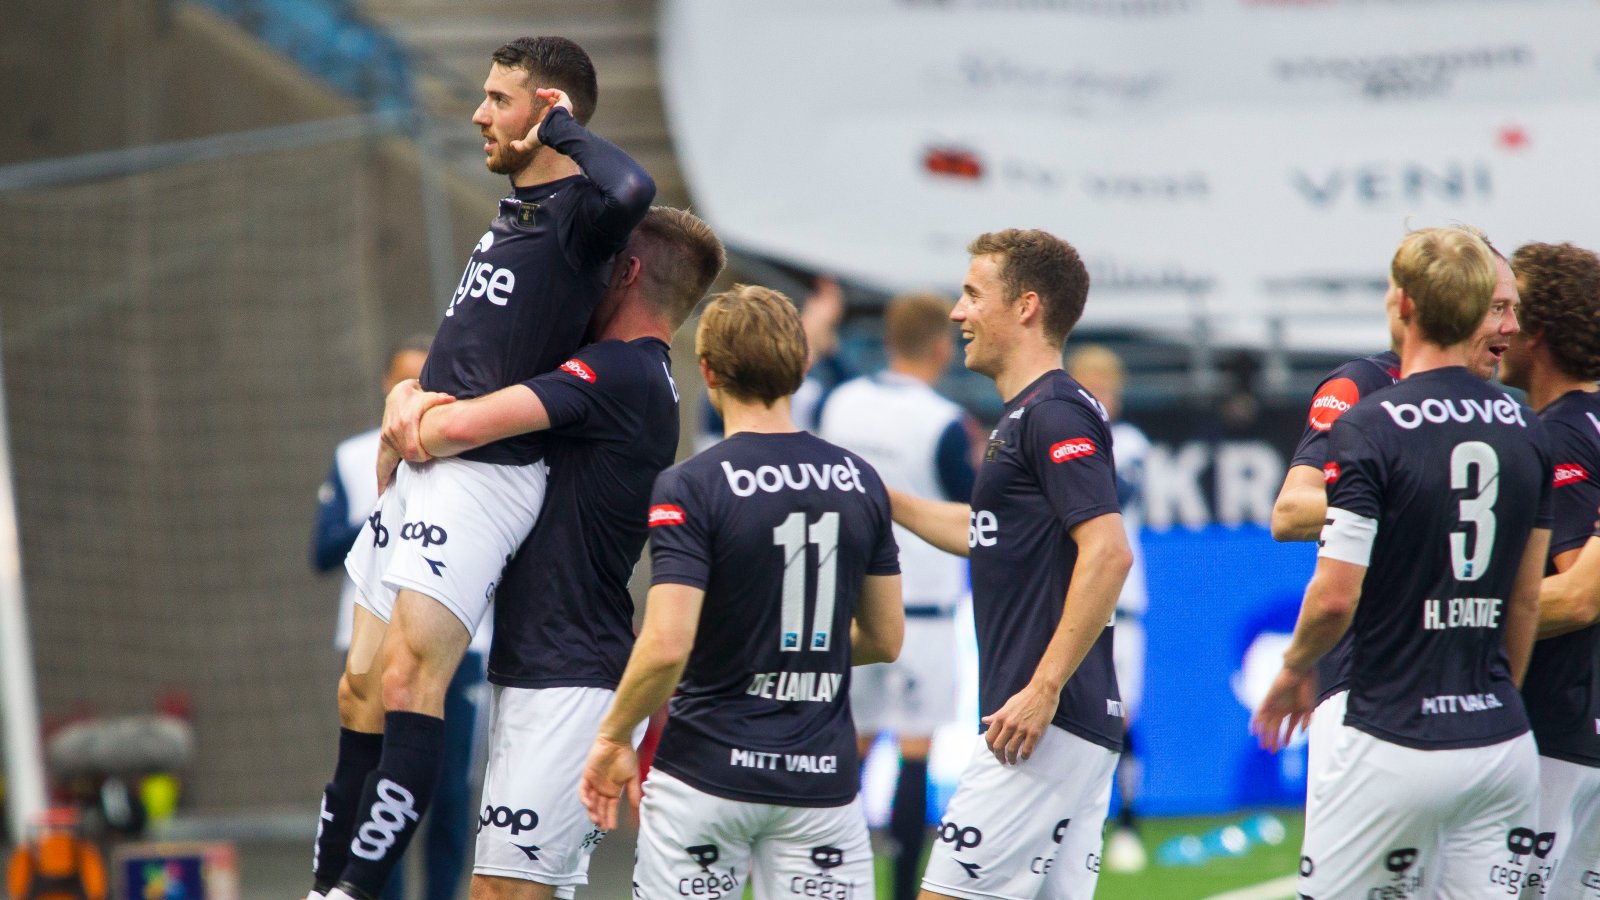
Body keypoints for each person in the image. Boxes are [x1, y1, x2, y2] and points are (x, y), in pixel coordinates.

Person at [310, 35, 655, 900]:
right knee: (358, 690)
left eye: (499, 99)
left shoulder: (582, 215)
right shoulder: (516, 212)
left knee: (406, 681)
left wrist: (560, 130)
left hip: (483, 474)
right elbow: (476, 342)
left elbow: (633, 188)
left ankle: (353, 892)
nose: (478, 114)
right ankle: (324, 886)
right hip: (426, 461)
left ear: (549, 110)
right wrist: (408, 396)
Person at [380, 207, 726, 900]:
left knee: (501, 892)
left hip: (568, 676)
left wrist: (403, 407)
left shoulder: (617, 370)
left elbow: (456, 429)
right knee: (524, 888)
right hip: (555, 665)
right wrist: (406, 394)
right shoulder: (639, 375)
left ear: (626, 271)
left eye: (601, 262)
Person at [577, 284, 905, 899]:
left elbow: (667, 644)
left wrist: (613, 736)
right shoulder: (861, 481)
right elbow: (886, 638)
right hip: (821, 782)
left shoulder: (692, 484)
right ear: (802, 366)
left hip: (706, 775)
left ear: (707, 371)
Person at [1253, 226, 1551, 897]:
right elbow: (1289, 512)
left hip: (1393, 723)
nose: (1509, 326)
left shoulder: (1405, 424)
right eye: (1497, 307)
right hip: (1473, 719)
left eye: (1513, 309)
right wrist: (1415, 492)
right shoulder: (1367, 391)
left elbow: (1334, 594)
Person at [890, 229, 1133, 900]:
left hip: (1039, 726)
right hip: (1061, 725)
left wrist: (1043, 687)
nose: (956, 312)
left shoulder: (1053, 413)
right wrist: (886, 499)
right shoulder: (1032, 413)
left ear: (1026, 307)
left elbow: (1109, 551)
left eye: (973, 295)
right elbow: (991, 534)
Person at [310, 337, 488, 900]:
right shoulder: (355, 455)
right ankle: (361, 890)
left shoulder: (470, 447)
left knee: (449, 788)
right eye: (409, 377)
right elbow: (321, 550)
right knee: (370, 774)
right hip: (373, 627)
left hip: (456, 640)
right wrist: (387, 509)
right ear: (390, 385)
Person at [818, 292, 976, 900]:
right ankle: (903, 892)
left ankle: (826, 880)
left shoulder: (840, 403)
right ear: (941, 348)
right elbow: (974, 515)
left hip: (847, 607)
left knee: (849, 751)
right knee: (915, 754)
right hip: (922, 611)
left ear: (887, 339)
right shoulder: (942, 421)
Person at [1498, 241, 1600, 891]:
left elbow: (1577, 595)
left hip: (1556, 732)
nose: (1497, 326)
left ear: (1536, 331)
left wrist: (1445, 625)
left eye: (1509, 309)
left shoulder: (1557, 435)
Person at [1063, 343, 1151, 874]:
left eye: (1106, 389)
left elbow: (1117, 492)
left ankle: (1128, 820)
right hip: (1072, 597)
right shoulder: (1062, 439)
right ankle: (1073, 820)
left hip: (1124, 602)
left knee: (1123, 716)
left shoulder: (1128, 442)